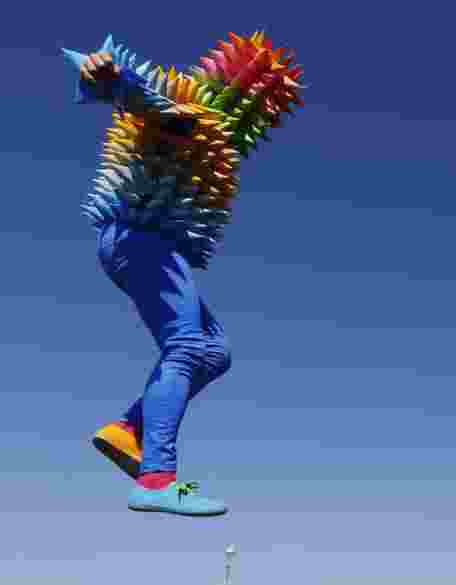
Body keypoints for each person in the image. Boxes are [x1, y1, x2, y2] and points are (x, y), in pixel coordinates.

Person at [60, 34, 303, 516]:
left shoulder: (216, 141)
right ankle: (155, 479)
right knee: (187, 345)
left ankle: (128, 430)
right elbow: (142, 98)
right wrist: (107, 75)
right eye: (267, 102)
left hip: (153, 246)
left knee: (215, 351)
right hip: (138, 240)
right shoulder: (187, 108)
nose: (266, 114)